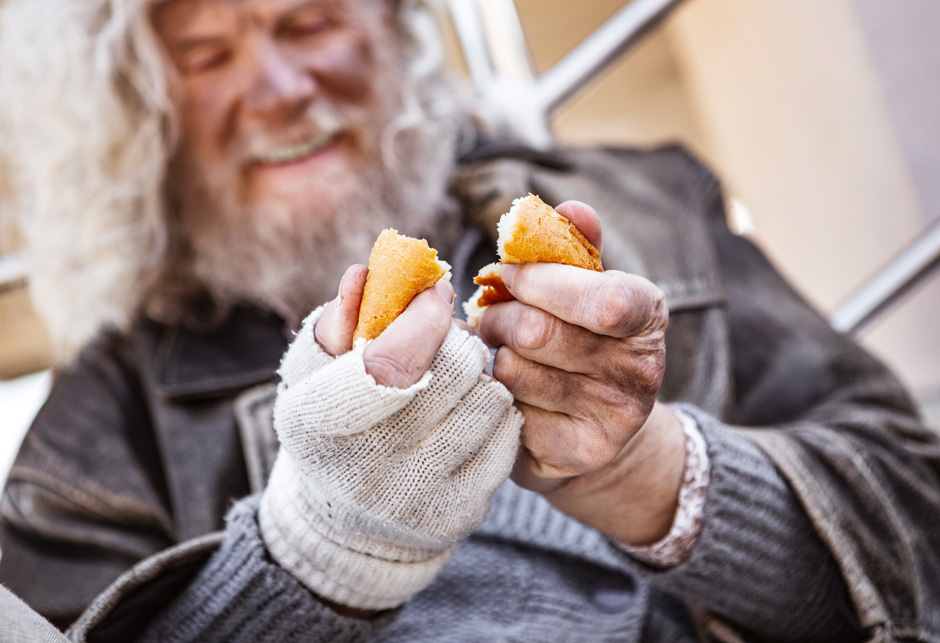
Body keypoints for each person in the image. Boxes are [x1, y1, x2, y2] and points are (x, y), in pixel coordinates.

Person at [1, 0, 938, 641]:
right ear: (145, 112)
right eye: (206, 55)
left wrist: (652, 475)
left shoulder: (650, 201)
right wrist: (318, 554)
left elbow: (920, 526)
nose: (281, 86)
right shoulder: (105, 411)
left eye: (311, 20)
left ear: (393, 29)